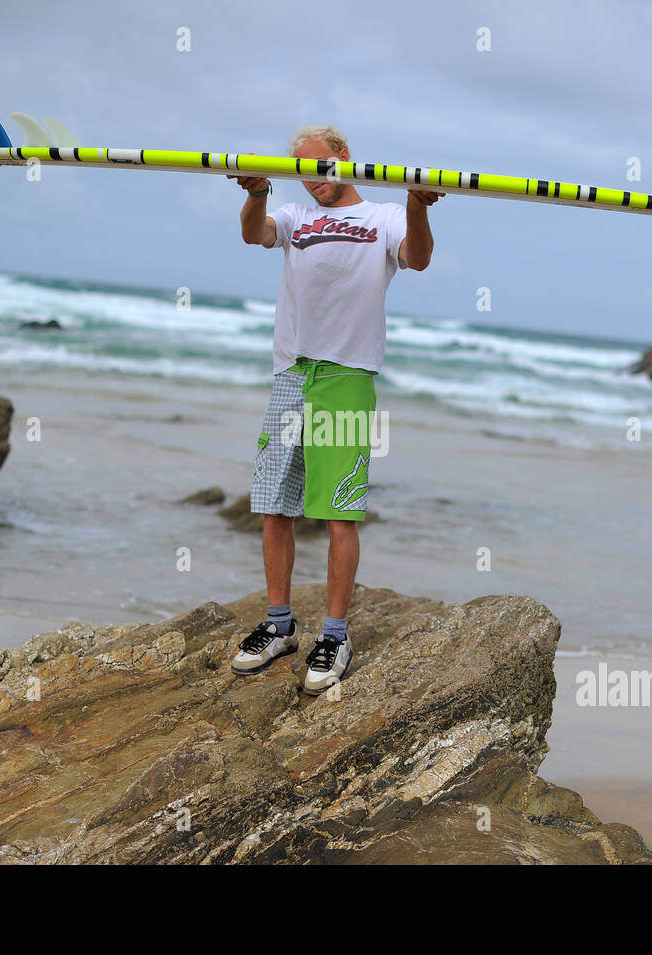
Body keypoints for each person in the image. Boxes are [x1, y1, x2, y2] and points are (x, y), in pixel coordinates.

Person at [227, 124, 441, 695]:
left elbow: (418, 259)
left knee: (338, 513)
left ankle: (336, 634)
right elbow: (255, 235)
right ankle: (278, 627)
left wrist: (419, 207)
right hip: (291, 374)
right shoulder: (296, 216)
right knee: (275, 504)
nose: (311, 179)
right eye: (300, 170)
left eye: (318, 166)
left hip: (347, 376)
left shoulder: (384, 216)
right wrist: (255, 192)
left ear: (343, 158)